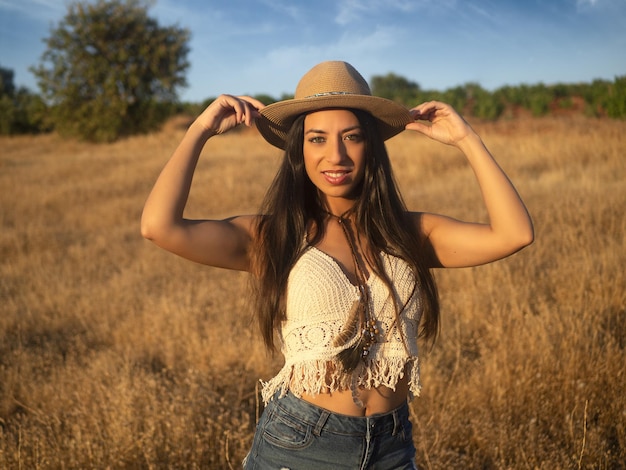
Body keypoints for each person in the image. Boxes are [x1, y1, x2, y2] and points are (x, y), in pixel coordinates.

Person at [141, 61, 533, 469]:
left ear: (372, 145)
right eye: (317, 139)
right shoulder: (276, 236)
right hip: (300, 444)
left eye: (352, 137)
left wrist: (467, 140)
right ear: (299, 149)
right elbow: (159, 227)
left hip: (391, 446)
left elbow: (514, 234)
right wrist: (199, 130)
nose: (337, 155)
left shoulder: (409, 232)